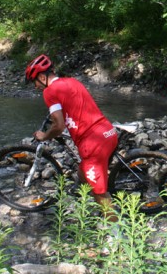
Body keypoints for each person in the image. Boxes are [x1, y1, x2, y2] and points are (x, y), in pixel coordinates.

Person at [25, 54, 119, 219]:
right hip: (108, 131)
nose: (35, 87)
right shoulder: (72, 81)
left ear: (41, 76)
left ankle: (115, 233)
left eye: (35, 82)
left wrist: (44, 136)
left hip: (93, 143)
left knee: (99, 193)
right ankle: (88, 206)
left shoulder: (50, 91)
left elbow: (59, 126)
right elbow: (72, 105)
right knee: (82, 173)